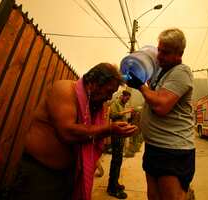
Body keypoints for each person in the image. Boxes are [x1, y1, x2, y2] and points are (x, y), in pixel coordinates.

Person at [10, 63, 137, 200]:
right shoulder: (64, 90)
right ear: (93, 84)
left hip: (68, 175)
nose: (109, 97)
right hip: (39, 174)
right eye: (108, 91)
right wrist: (110, 129)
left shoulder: (92, 104)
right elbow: (67, 132)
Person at [126, 28, 195, 200]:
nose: (159, 56)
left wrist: (140, 85)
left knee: (171, 197)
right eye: (159, 50)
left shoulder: (181, 72)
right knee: (153, 196)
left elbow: (161, 106)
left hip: (172, 149)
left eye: (165, 52)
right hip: (154, 147)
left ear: (179, 53)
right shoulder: (160, 72)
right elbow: (147, 77)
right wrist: (136, 66)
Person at [107, 90, 133, 199]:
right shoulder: (116, 103)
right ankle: (112, 189)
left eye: (128, 99)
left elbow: (123, 119)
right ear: (122, 96)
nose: (126, 100)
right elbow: (112, 116)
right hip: (116, 136)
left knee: (118, 161)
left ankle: (115, 183)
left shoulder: (122, 105)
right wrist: (125, 112)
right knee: (115, 161)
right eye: (126, 98)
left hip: (121, 136)